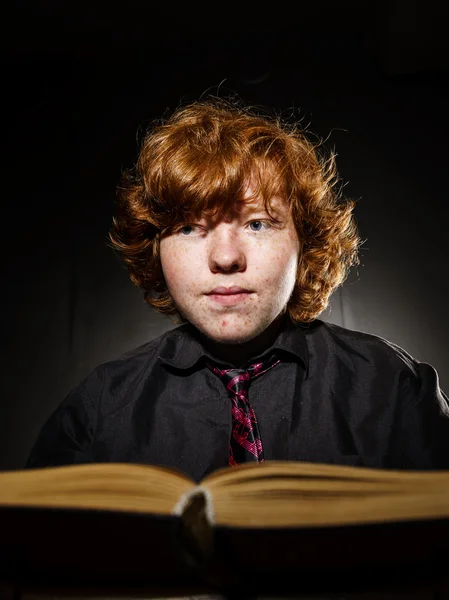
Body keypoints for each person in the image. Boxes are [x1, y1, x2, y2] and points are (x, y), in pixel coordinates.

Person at [26, 98, 449, 482]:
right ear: (155, 250)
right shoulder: (100, 408)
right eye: (190, 227)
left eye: (257, 224)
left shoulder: (392, 387)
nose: (226, 258)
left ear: (306, 241)